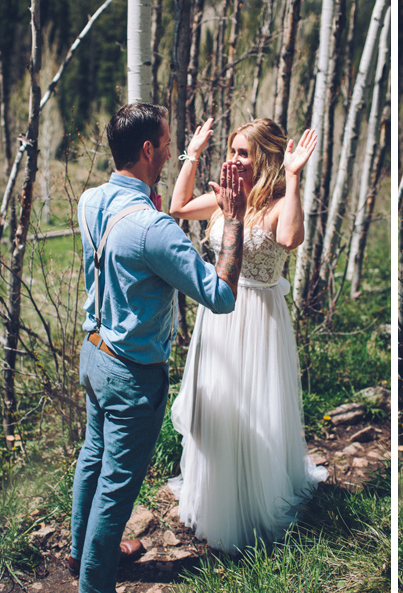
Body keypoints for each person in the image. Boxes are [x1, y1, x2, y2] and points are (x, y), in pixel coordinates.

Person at [71, 103, 245, 593]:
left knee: (92, 456)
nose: (171, 150)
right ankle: (94, 580)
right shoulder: (153, 228)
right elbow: (221, 296)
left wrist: (160, 189)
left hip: (94, 352)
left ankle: (77, 549)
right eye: (168, 144)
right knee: (116, 488)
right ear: (148, 149)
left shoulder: (90, 201)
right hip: (132, 373)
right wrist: (233, 219)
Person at [166, 117, 326, 553]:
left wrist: (293, 179)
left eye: (243, 152)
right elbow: (176, 208)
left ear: (267, 158)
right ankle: (215, 494)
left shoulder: (277, 203)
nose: (234, 159)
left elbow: (291, 237)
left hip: (258, 319)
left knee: (252, 409)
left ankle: (254, 504)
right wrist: (192, 155)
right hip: (219, 315)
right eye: (232, 151)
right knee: (218, 405)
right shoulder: (226, 200)